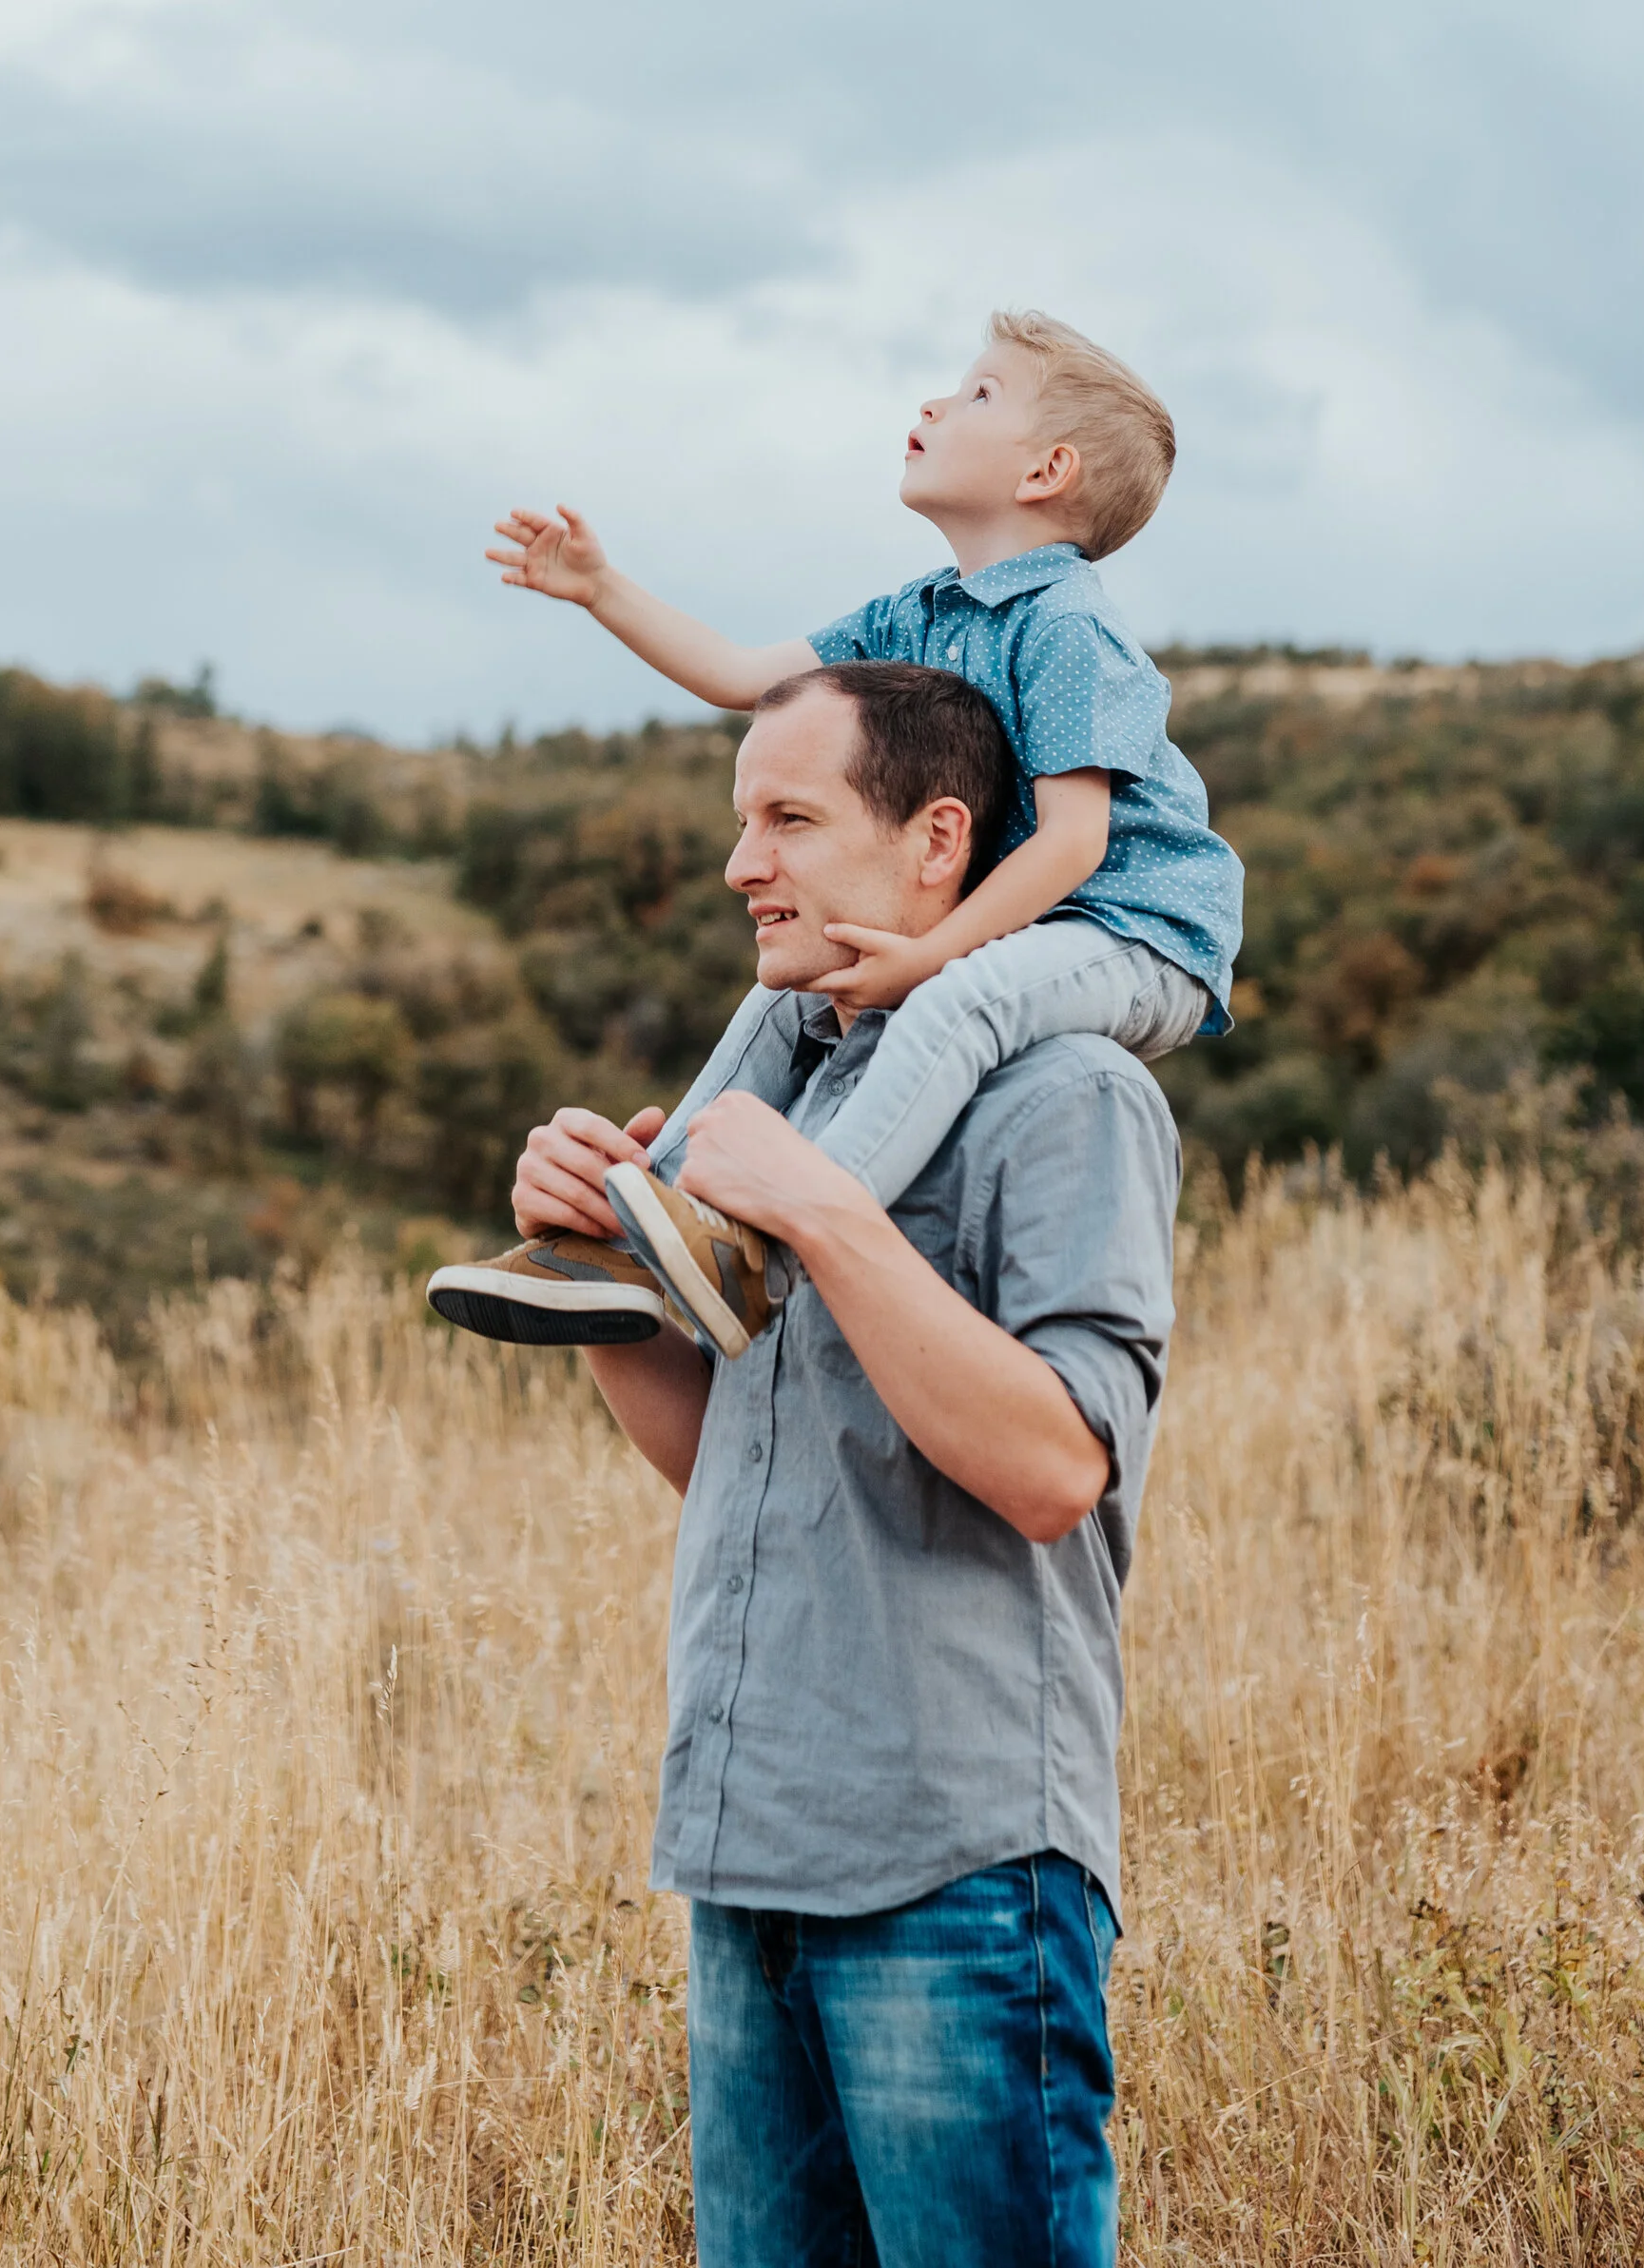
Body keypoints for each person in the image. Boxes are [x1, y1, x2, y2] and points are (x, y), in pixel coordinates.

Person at [514, 657, 1180, 2267]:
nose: (747, 864)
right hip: (747, 1851)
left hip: (956, 1870)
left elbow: (1054, 1470)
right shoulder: (794, 1084)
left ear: (938, 840)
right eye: (745, 821)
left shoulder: (1067, 1095)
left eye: (792, 820)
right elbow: (736, 1468)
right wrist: (605, 1276)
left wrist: (820, 1210)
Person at [428, 306, 1233, 1352]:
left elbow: (1077, 841)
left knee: (960, 999)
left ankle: (775, 1242)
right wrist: (599, 589)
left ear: (1046, 471)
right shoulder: (918, 613)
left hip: (1135, 930)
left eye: (978, 394)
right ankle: (633, 1233)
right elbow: (736, 675)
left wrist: (934, 956)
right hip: (1030, 923)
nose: (934, 402)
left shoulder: (1066, 623)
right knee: (786, 992)